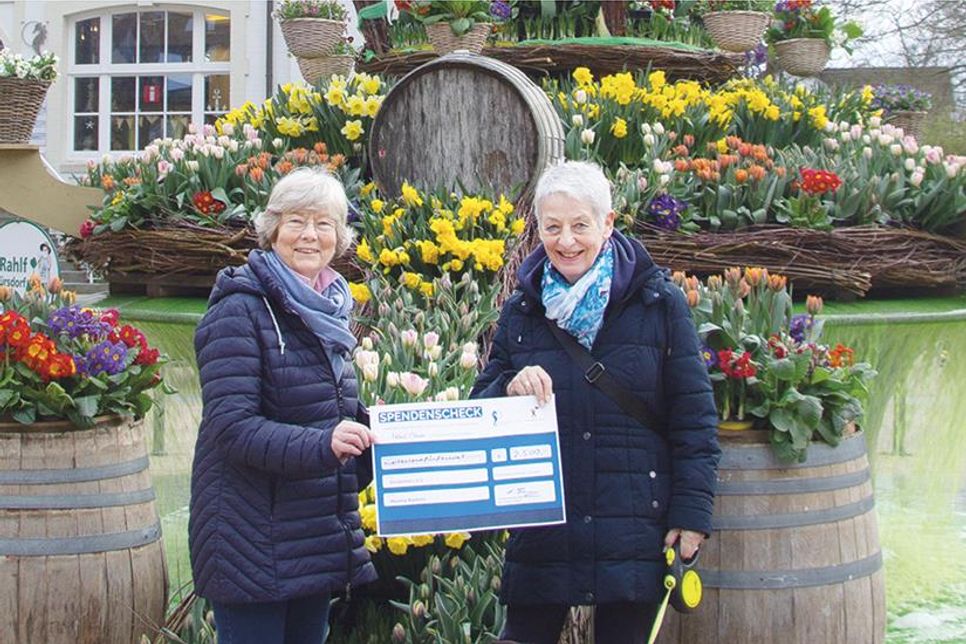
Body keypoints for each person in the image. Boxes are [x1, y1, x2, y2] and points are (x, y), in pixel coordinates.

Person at [471, 161, 721, 644]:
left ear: (607, 224)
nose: (566, 241)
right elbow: (482, 402)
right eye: (552, 227)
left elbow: (694, 421)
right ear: (537, 228)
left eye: (580, 225)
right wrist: (509, 386)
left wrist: (691, 517)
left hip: (633, 526)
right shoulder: (522, 309)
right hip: (544, 528)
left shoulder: (658, 303)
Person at [188, 168, 377, 644]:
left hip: (310, 533)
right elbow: (233, 428)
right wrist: (324, 445)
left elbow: (324, 412)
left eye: (324, 223)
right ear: (272, 230)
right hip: (250, 536)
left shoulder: (329, 310)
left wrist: (385, 434)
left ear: (341, 237)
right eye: (295, 221)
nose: (310, 235)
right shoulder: (240, 309)